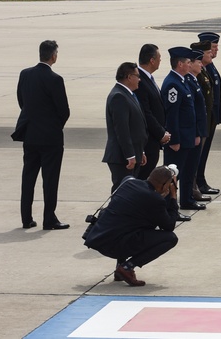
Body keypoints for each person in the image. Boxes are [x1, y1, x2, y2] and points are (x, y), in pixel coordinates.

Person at [83, 165, 181, 287]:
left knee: (130, 224)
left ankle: (120, 268)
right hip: (115, 245)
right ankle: (126, 268)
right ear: (165, 184)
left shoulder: (128, 181)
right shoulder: (155, 200)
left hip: (99, 237)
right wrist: (173, 197)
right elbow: (169, 226)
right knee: (170, 238)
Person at [13, 39, 71, 230]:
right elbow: (64, 110)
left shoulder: (25, 74)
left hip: (30, 134)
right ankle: (49, 219)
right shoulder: (55, 79)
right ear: (54, 56)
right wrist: (54, 126)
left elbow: (22, 101)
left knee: (28, 176)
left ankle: (26, 217)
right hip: (50, 137)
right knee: (50, 179)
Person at [161, 47, 204, 211]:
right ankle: (169, 207)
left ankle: (186, 200)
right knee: (172, 176)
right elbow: (172, 116)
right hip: (178, 140)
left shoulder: (183, 81)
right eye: (187, 62)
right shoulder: (173, 84)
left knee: (187, 171)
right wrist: (175, 140)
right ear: (180, 64)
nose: (190, 64)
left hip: (188, 137)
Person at [102, 62, 148, 193]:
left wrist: (141, 152)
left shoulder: (128, 94)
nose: (139, 79)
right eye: (137, 76)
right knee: (122, 192)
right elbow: (122, 130)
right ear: (129, 77)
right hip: (122, 157)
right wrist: (130, 155)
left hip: (133, 154)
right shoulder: (119, 96)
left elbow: (135, 127)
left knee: (130, 193)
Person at [135, 44, 171, 182]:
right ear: (152, 60)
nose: (160, 61)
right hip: (148, 140)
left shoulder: (148, 78)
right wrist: (161, 133)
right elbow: (146, 113)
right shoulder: (140, 81)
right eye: (159, 58)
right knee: (142, 177)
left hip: (154, 140)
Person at [195, 32, 221, 196]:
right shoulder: (200, 69)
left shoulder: (209, 66)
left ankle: (201, 180)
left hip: (211, 116)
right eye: (213, 48)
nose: (215, 50)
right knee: (199, 152)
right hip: (205, 117)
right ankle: (198, 182)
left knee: (204, 152)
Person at [187, 42, 214, 202]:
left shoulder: (199, 76)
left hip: (203, 125)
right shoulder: (189, 81)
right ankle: (192, 190)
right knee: (191, 163)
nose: (211, 54)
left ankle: (195, 188)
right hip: (196, 128)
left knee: (196, 160)